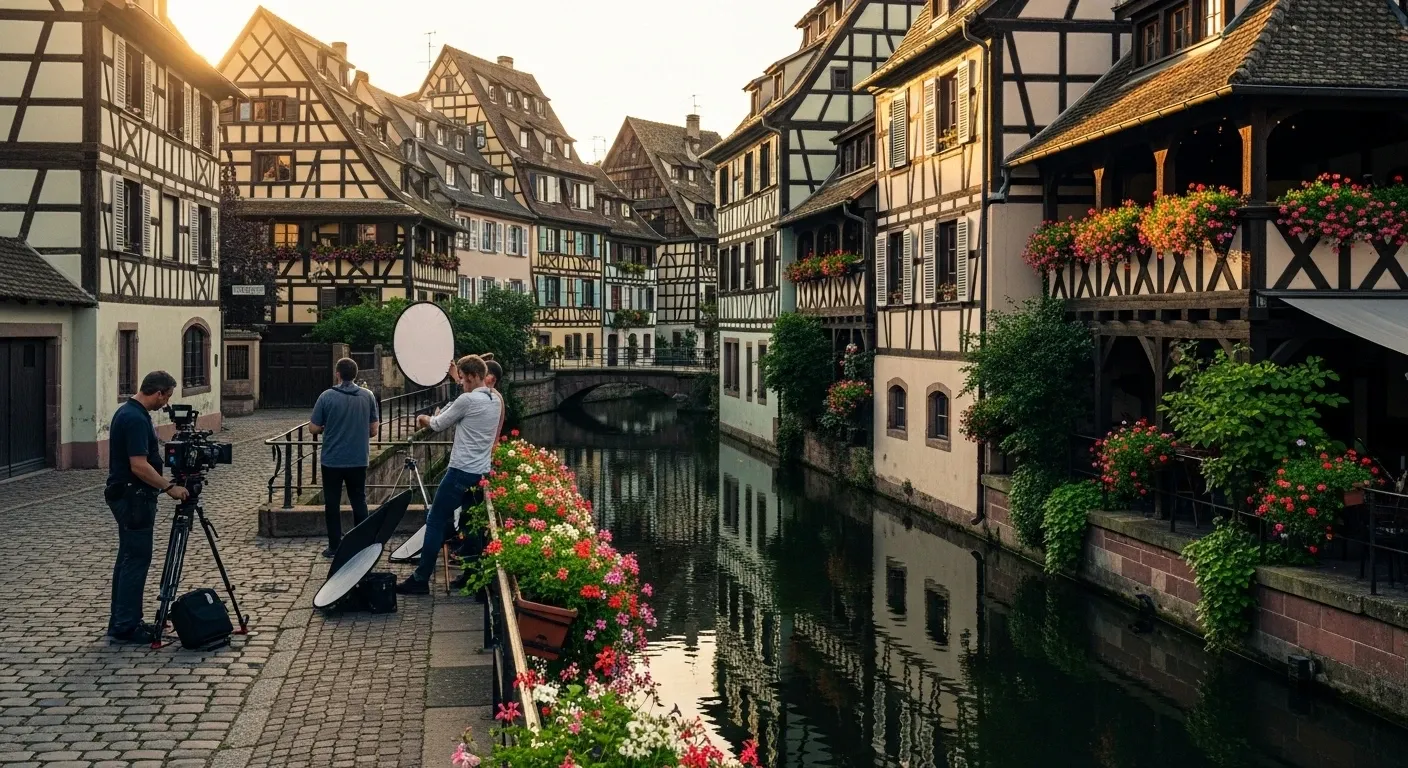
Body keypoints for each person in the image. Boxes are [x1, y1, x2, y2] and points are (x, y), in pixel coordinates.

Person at [397, 355, 501, 595]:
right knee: (471, 524)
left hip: (460, 471)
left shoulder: (467, 400)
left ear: (474, 377)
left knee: (435, 520)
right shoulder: (494, 400)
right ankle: (471, 576)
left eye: (464, 379)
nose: (462, 383)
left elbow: (436, 424)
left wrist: (422, 418)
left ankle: (421, 579)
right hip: (481, 473)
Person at [105, 371, 189, 644]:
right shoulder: (135, 418)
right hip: (134, 497)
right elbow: (139, 465)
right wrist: (169, 487)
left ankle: (122, 620)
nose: (166, 404)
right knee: (136, 560)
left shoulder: (127, 412)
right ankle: (127, 625)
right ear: (159, 392)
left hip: (129, 495)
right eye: (166, 397)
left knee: (128, 558)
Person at [309, 358, 380, 557]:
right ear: (355, 374)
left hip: (332, 459)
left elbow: (313, 427)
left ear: (337, 374)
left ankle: (334, 546)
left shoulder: (326, 396)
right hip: (358, 458)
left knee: (332, 503)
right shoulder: (368, 396)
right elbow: (374, 430)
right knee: (359, 500)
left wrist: (326, 428)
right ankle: (362, 544)